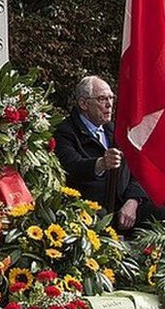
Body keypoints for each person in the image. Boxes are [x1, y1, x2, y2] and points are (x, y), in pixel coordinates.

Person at [53, 75, 159, 231]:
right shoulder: (66, 131)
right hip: (90, 208)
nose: (109, 104)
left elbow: (139, 169)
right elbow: (70, 167)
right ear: (83, 103)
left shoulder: (116, 130)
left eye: (111, 98)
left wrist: (133, 200)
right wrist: (101, 164)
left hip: (126, 204)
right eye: (102, 99)